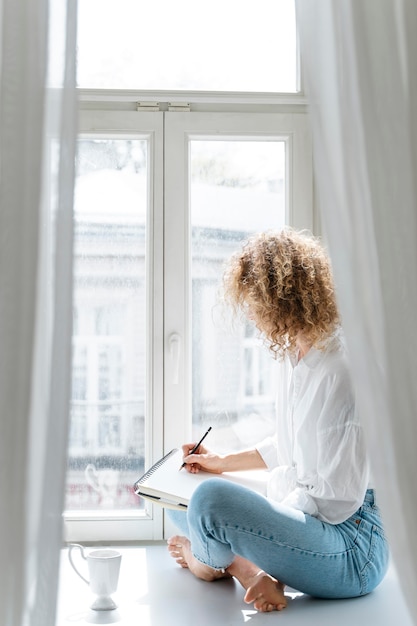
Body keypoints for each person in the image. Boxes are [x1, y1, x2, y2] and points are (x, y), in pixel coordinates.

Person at [167, 228, 389, 612]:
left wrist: (275, 562)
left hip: (352, 546)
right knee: (181, 492)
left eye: (255, 304)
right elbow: (292, 447)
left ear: (282, 302)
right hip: (317, 521)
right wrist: (220, 463)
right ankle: (241, 567)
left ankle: (217, 564)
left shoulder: (342, 370)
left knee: (207, 503)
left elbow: (335, 500)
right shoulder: (297, 357)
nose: (251, 316)